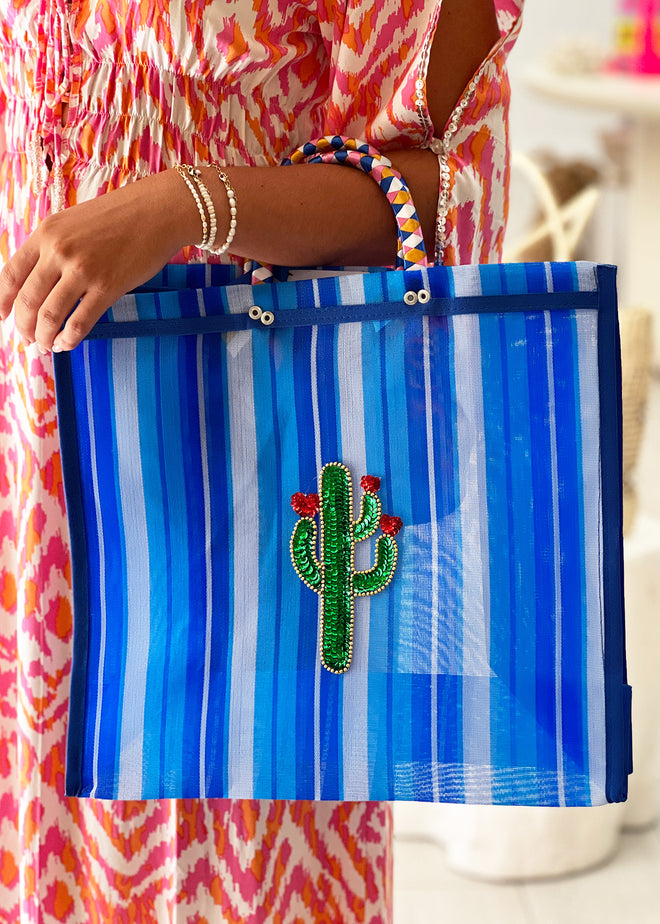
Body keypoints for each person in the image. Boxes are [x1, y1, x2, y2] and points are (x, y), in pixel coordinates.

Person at [0, 0, 523, 920]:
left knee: (232, 850)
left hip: (227, 471)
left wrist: (186, 203)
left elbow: (448, 191)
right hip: (31, 482)